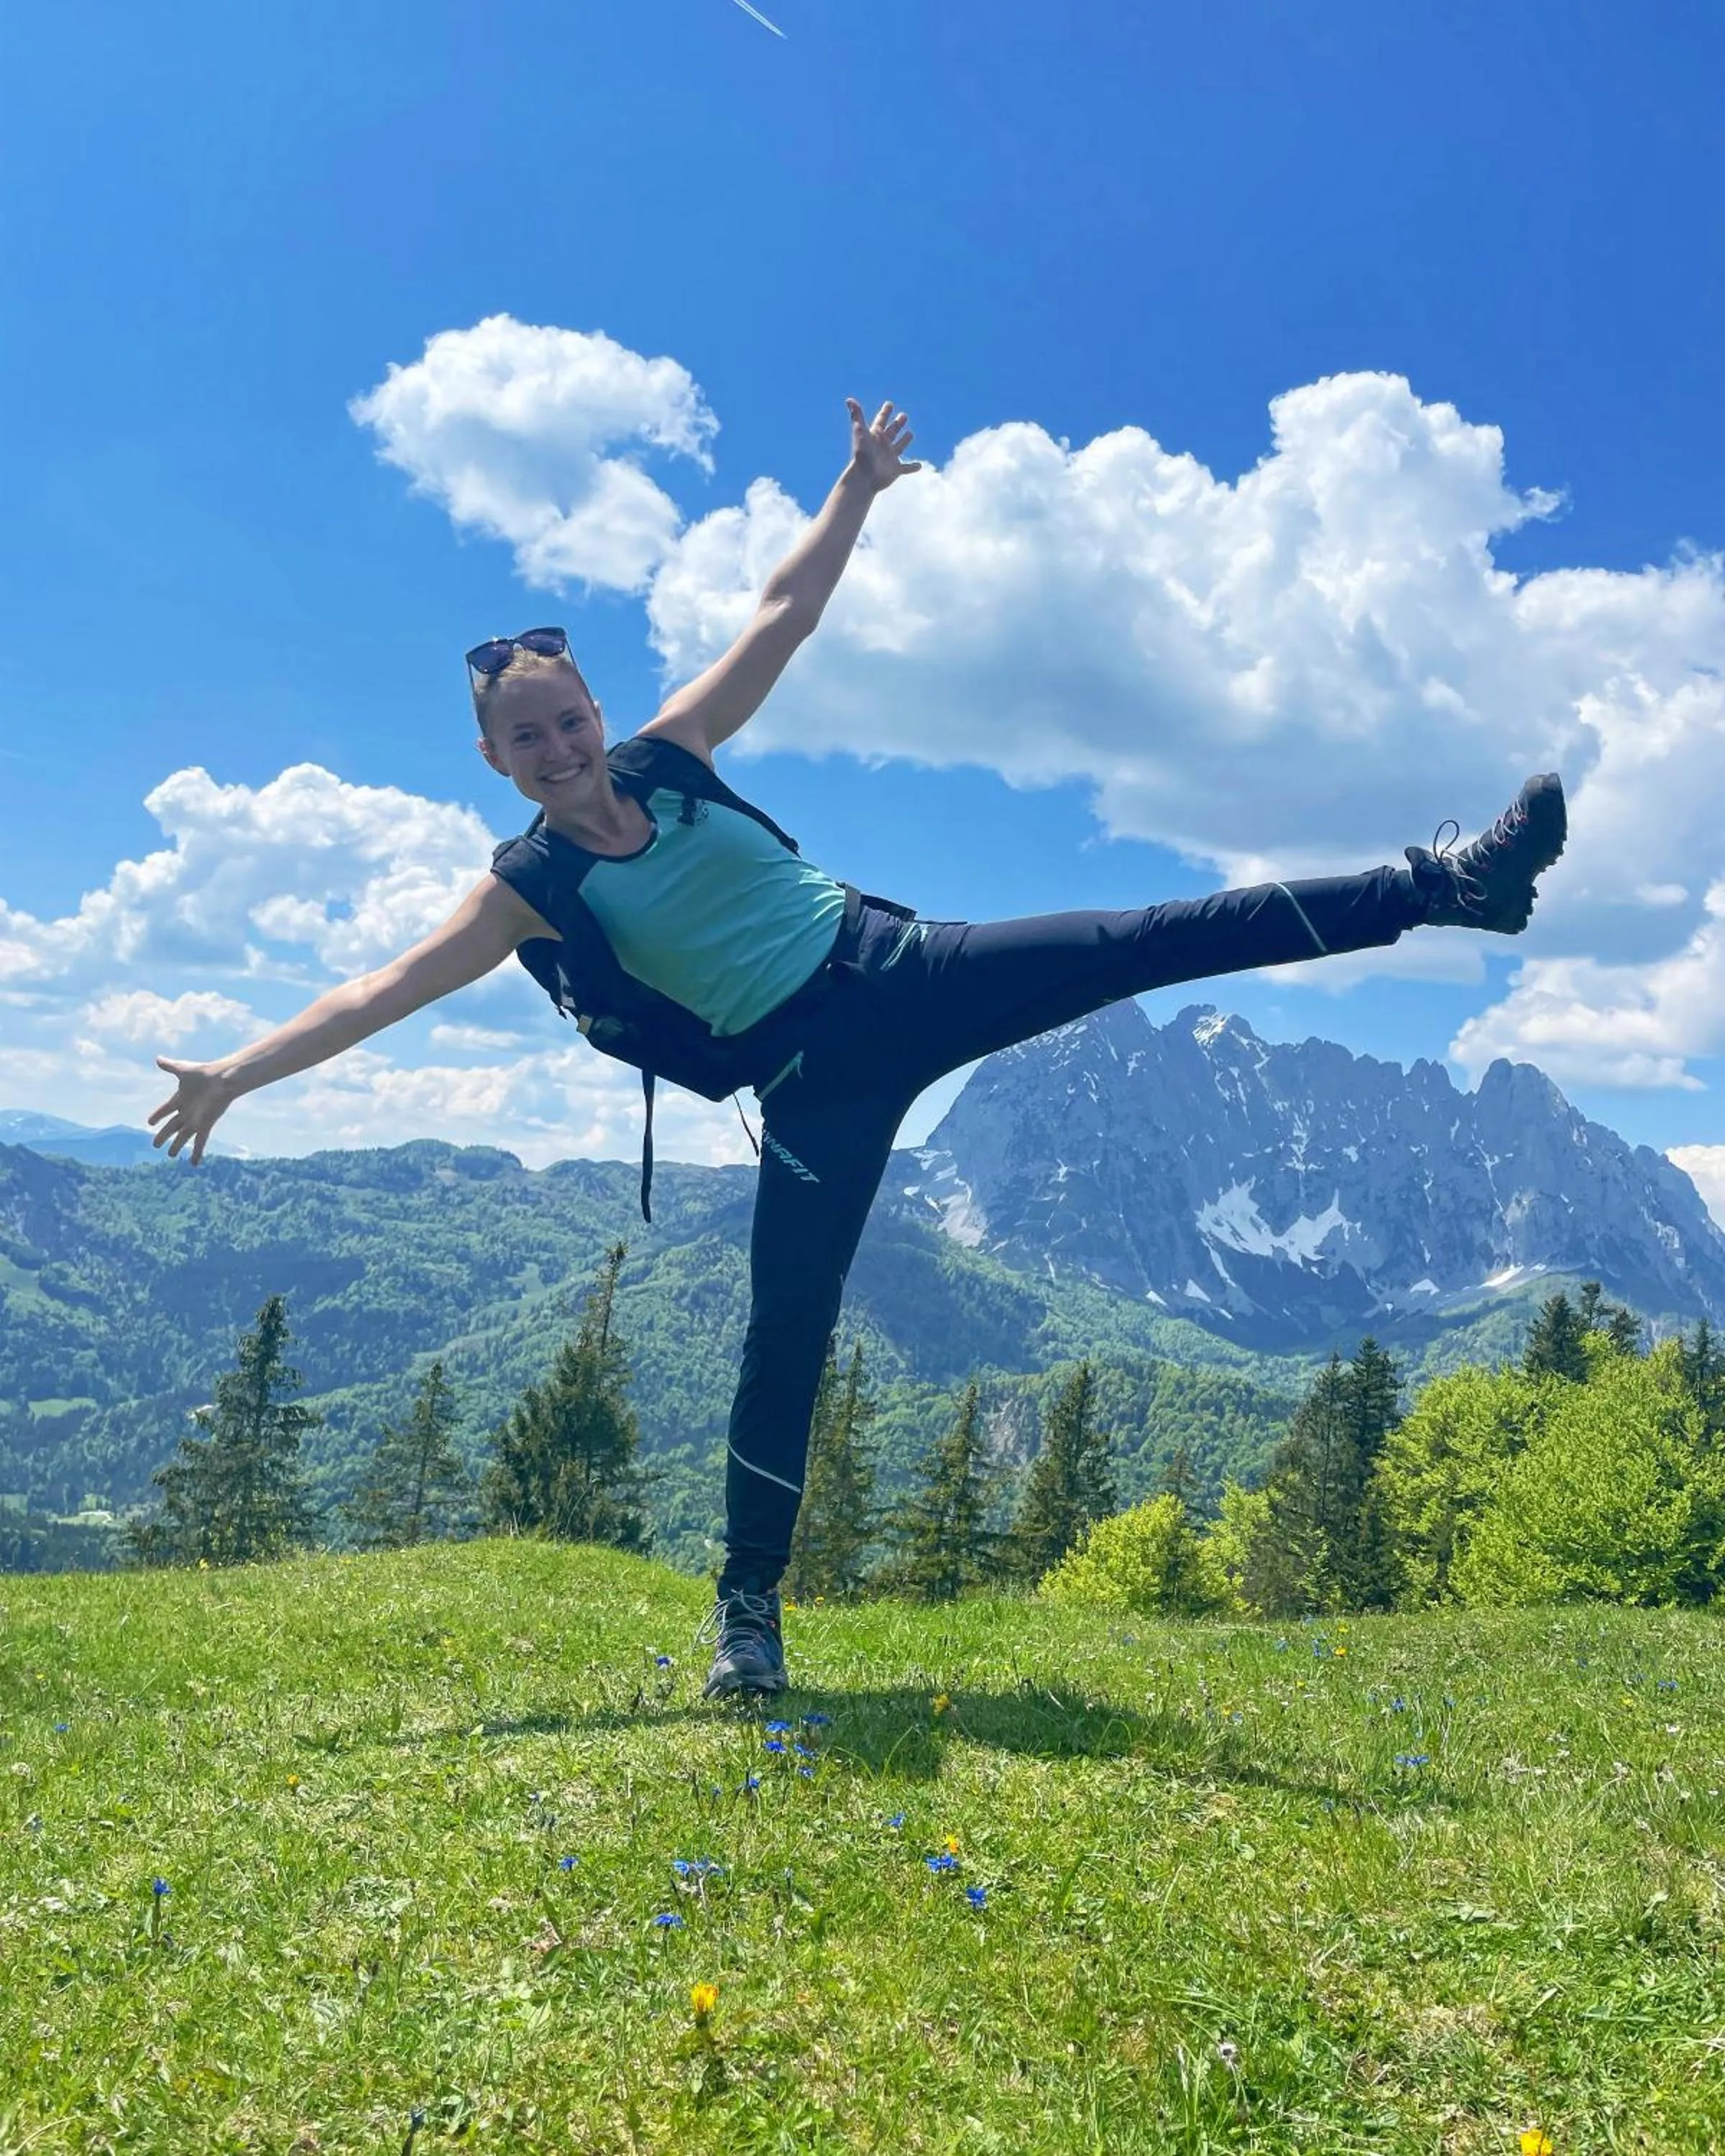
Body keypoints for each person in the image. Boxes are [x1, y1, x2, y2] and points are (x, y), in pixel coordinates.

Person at [148, 396, 1568, 1700]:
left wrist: (857, 493)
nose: (564, 745)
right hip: (811, 1081)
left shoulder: (669, 756)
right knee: (786, 1332)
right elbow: (381, 992)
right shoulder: (528, 887)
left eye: (571, 717)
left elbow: (781, 616)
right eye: (531, 737)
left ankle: (1453, 886)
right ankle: (747, 1623)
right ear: (497, 761)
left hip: (907, 968)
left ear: (594, 713)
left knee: (1146, 935)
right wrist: (234, 1076)